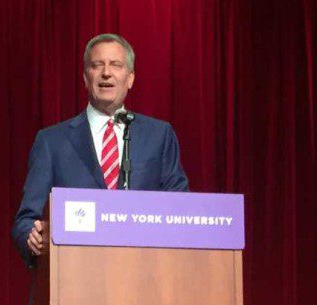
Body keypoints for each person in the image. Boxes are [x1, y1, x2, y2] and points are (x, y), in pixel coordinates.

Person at [11, 33, 189, 265]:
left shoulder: (159, 136)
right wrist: (33, 238)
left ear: (130, 78)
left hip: (145, 275)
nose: (107, 72)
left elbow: (180, 209)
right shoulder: (51, 141)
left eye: (116, 65)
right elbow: (26, 219)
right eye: (97, 65)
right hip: (75, 277)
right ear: (86, 78)